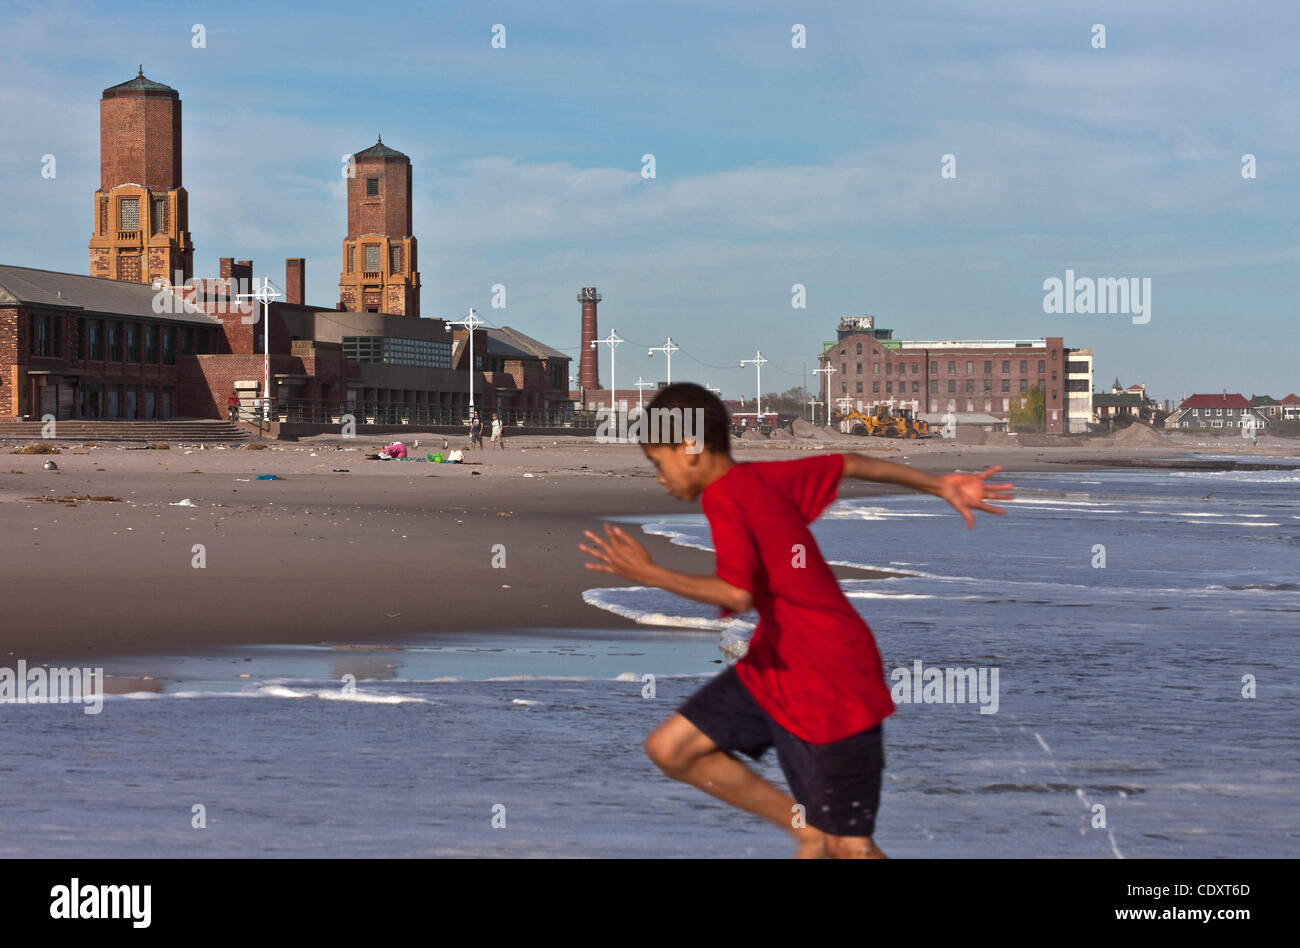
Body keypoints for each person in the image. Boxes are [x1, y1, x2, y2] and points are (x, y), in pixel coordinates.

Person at [579, 382, 1014, 859]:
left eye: (658, 464)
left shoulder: (725, 497)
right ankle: (805, 829)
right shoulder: (762, 478)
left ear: (690, 448)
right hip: (778, 663)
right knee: (672, 748)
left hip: (829, 676)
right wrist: (939, 484)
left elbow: (736, 594)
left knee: (851, 848)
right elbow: (849, 462)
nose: (660, 478)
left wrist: (649, 573)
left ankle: (818, 835)